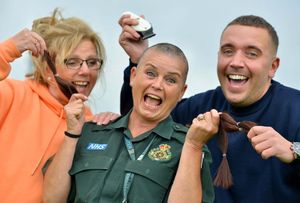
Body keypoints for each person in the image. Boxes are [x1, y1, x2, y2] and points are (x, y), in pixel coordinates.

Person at [118, 14, 300, 202]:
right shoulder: (199, 107)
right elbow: (142, 119)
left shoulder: (295, 108)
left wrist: (294, 151)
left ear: (273, 66)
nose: (236, 62)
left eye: (251, 53)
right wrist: (139, 60)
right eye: (228, 51)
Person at [43, 43, 216, 203]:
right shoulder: (90, 132)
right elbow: (52, 199)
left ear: (181, 92)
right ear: (133, 76)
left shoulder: (188, 146)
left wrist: (193, 146)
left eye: (171, 80)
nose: (158, 85)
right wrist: (72, 134)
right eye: (150, 73)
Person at [0, 8, 106, 202]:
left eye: (92, 62)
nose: (86, 71)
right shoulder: (14, 95)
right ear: (48, 69)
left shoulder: (91, 126)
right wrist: (7, 50)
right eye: (72, 62)